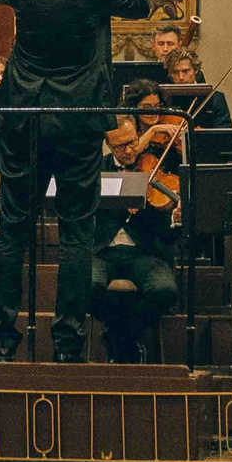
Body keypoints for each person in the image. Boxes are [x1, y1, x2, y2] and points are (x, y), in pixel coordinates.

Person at [0, 0, 154, 362]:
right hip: (78, 120)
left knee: (12, 230)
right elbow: (141, 3)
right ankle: (66, 344)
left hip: (25, 117)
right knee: (76, 234)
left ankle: (4, 342)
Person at [95, 80, 182, 363]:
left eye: (133, 143)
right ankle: (126, 338)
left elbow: (167, 233)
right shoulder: (98, 170)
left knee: (165, 290)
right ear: (109, 144)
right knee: (84, 285)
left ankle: (119, 336)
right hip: (104, 250)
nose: (129, 152)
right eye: (120, 147)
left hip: (144, 251)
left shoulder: (153, 168)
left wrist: (170, 217)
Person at [163, 51, 232, 129]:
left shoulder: (216, 98)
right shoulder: (164, 98)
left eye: (185, 71)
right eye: (176, 72)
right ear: (170, 74)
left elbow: (224, 131)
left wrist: (204, 134)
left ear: (195, 70)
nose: (181, 77)